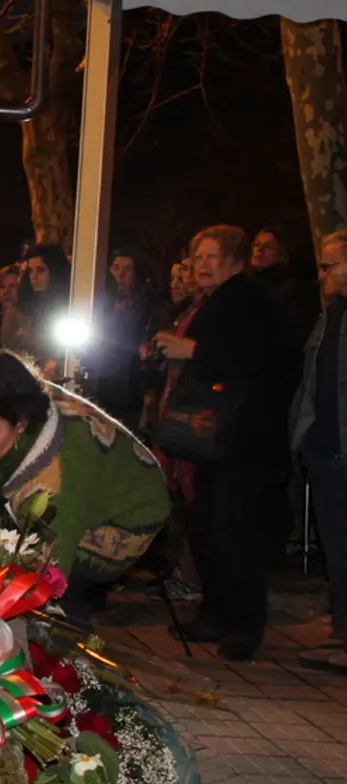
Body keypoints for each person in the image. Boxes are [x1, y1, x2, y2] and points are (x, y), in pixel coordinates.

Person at [0, 350, 170, 626]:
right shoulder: (17, 403)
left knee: (54, 591)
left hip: (131, 515)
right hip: (84, 486)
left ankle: (71, 655)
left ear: (20, 424)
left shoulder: (58, 475)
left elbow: (47, 568)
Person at [151, 225, 277, 660]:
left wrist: (191, 351)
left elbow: (249, 360)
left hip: (238, 436)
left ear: (233, 259)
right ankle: (216, 612)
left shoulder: (248, 300)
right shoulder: (209, 301)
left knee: (234, 529)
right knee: (204, 526)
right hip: (208, 438)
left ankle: (245, 623)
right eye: (197, 258)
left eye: (210, 257)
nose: (201, 266)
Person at [291, 231, 347, 672]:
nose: (322, 274)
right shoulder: (328, 317)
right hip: (325, 452)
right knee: (336, 546)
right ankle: (342, 631)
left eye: (330, 265)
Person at [251, 226, 320, 564]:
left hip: (277, 391)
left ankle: (277, 542)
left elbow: (291, 340)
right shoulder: (252, 288)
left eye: (268, 247)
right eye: (256, 245)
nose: (260, 251)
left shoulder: (289, 290)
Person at [89, 249, 158, 427]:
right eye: (115, 268)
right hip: (101, 381)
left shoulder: (149, 305)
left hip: (131, 385)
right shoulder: (100, 302)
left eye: (126, 270)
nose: (119, 275)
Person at [16, 244, 71, 377]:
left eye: (40, 270)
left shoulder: (69, 306)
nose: (33, 276)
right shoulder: (29, 306)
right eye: (30, 271)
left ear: (55, 271)